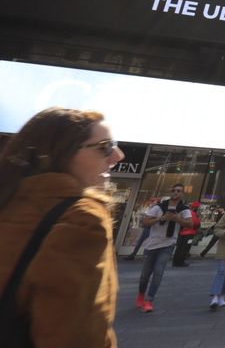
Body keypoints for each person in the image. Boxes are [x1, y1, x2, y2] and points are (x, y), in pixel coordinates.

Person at [0, 107, 125, 346]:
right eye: (104, 146)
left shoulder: (9, 201)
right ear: (60, 153)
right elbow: (74, 336)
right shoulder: (81, 218)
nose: (118, 155)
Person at [137, 183, 192, 312]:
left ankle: (149, 300)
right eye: (173, 190)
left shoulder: (184, 209)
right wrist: (160, 218)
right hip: (152, 244)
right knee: (145, 274)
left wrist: (177, 219)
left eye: (178, 191)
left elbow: (190, 224)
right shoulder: (159, 207)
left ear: (182, 194)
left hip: (168, 244)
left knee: (158, 272)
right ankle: (141, 294)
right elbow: (145, 223)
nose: (175, 192)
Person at [173, 200, 200, 267]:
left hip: (182, 232)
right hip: (189, 234)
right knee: (185, 248)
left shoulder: (186, 212)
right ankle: (181, 262)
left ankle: (175, 261)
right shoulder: (193, 214)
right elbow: (196, 223)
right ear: (196, 208)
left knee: (179, 248)